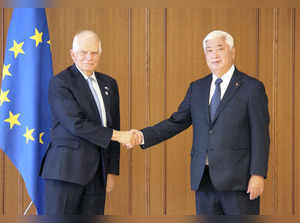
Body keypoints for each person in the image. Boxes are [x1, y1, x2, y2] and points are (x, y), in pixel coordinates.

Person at [130, 30, 270, 215]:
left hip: (239, 182)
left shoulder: (252, 88)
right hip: (203, 180)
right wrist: (141, 136)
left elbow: (260, 135)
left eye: (220, 49)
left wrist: (258, 174)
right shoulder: (197, 87)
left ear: (232, 51)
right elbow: (176, 122)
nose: (214, 55)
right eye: (209, 50)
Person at [40, 30, 138, 215]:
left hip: (97, 174)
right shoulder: (60, 82)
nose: (89, 57)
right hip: (66, 173)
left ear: (100, 54)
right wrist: (120, 136)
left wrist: (111, 170)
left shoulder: (109, 83)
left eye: (94, 53)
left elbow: (113, 124)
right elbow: (76, 124)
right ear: (73, 54)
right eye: (83, 52)